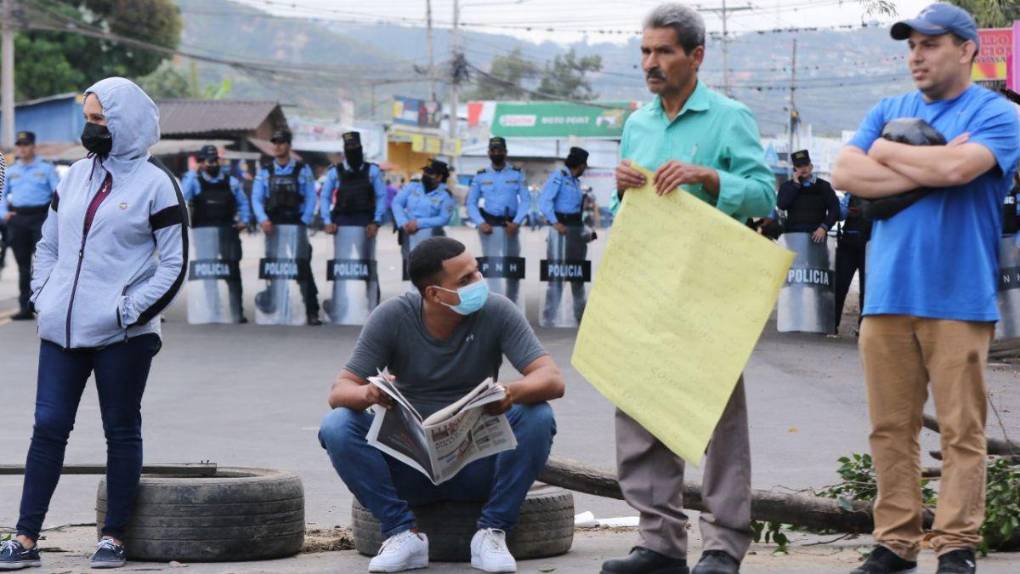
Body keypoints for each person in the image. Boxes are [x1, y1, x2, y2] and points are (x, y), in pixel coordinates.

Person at [831, 5, 1020, 574]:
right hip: (886, 294)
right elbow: (844, 173)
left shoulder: (997, 113)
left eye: (930, 44)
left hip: (959, 297)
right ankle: (895, 542)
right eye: (911, 45)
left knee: (963, 430)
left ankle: (957, 544)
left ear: (966, 50)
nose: (917, 55)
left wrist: (887, 153)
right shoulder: (890, 108)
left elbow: (962, 171)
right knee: (890, 427)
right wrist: (925, 160)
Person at [604, 4, 776, 574]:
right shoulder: (638, 123)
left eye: (664, 52)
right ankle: (658, 543)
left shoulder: (729, 117)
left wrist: (709, 178)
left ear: (696, 55)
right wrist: (622, 188)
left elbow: (764, 195)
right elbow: (621, 208)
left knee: (717, 423)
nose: (651, 63)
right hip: (645, 286)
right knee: (640, 413)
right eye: (646, 52)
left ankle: (724, 547)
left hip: (708, 289)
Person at [0, 78, 187, 571]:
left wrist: (127, 311)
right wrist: (44, 296)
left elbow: (174, 264)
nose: (90, 128)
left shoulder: (157, 184)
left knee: (120, 429)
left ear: (127, 123)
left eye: (100, 120)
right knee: (48, 426)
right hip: (61, 329)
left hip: (124, 336)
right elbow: (49, 246)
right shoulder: (73, 177)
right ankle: (24, 538)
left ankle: (114, 536)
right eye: (87, 118)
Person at [318, 236, 564, 573]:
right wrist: (370, 395)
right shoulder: (393, 317)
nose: (478, 283)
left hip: (477, 464)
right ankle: (402, 533)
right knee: (337, 425)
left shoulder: (497, 311)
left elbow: (551, 379)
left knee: (537, 414)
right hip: (411, 467)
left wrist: (512, 392)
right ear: (434, 294)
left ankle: (491, 533)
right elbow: (339, 390)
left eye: (476, 272)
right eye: (465, 280)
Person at [251, 128, 321, 325]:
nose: (277, 146)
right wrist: (263, 219)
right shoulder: (265, 172)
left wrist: (304, 220)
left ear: (289, 145)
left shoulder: (302, 170)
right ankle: (277, 309)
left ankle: (312, 311)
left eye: (281, 142)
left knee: (302, 268)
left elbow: (310, 197)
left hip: (295, 225)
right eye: (274, 142)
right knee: (274, 268)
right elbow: (256, 198)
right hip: (273, 226)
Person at [181, 144, 251, 323]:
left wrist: (244, 220)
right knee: (208, 274)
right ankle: (213, 311)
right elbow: (182, 195)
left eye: (214, 160)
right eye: (207, 160)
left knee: (233, 273)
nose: (211, 164)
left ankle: (237, 312)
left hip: (228, 232)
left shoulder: (231, 181)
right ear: (201, 162)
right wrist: (193, 172)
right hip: (203, 234)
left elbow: (243, 203)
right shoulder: (195, 181)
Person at [0, 131, 61, 320]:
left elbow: (58, 193)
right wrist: (3, 214)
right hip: (18, 220)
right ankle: (25, 306)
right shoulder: (11, 171)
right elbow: (2, 194)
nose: (22, 148)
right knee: (23, 266)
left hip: (40, 219)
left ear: (33, 147)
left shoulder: (46, 169)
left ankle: (48, 305)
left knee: (45, 262)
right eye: (19, 145)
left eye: (25, 145)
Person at [467, 137, 530, 300]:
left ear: (505, 152)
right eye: (493, 151)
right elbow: (471, 203)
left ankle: (512, 301)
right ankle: (497, 302)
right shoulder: (481, 175)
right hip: (489, 227)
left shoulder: (517, 174)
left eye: (500, 150)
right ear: (488, 153)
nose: (496, 153)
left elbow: (526, 201)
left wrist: (516, 222)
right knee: (492, 268)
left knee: (512, 267)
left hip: (510, 226)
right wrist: (480, 223)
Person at [538, 147, 590, 325]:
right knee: (557, 275)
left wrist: (589, 234)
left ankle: (580, 318)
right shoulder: (559, 176)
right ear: (580, 164)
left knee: (578, 276)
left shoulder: (576, 182)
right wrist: (555, 222)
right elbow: (544, 202)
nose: (585, 169)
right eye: (584, 165)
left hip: (575, 232)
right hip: (560, 232)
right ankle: (549, 318)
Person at [393, 160, 455, 277]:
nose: (425, 175)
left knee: (429, 271)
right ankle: (414, 294)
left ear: (439, 177)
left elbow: (444, 218)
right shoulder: (413, 186)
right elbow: (397, 203)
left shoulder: (446, 195)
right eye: (425, 172)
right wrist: (403, 223)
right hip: (408, 232)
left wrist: (419, 223)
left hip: (431, 235)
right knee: (411, 268)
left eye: (430, 173)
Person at [776, 150, 839, 242]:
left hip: (817, 236)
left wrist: (824, 227)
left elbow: (835, 209)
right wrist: (795, 186)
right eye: (799, 166)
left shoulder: (823, 186)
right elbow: (781, 205)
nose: (803, 168)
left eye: (805, 164)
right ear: (794, 169)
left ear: (811, 166)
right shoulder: (787, 186)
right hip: (793, 236)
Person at [833, 192, 871, 335]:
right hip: (848, 244)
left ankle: (864, 329)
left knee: (866, 290)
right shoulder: (851, 193)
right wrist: (847, 211)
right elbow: (840, 214)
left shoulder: (880, 193)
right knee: (839, 286)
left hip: (869, 245)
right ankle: (832, 324)